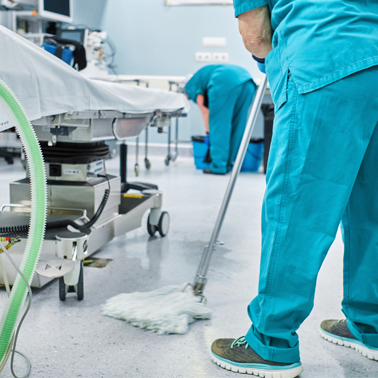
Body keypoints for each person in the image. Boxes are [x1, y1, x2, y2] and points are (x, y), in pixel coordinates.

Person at [210, 1, 378, 377]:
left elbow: (255, 32)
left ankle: (270, 342)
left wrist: (273, 62)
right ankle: (371, 323)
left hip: (325, 58)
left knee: (299, 206)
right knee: (373, 207)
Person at [185, 64, 256, 175]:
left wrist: (208, 133)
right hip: (248, 83)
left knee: (219, 126)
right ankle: (228, 164)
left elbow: (204, 110)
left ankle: (218, 166)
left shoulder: (190, 87)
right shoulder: (204, 74)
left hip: (224, 83)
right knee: (238, 125)